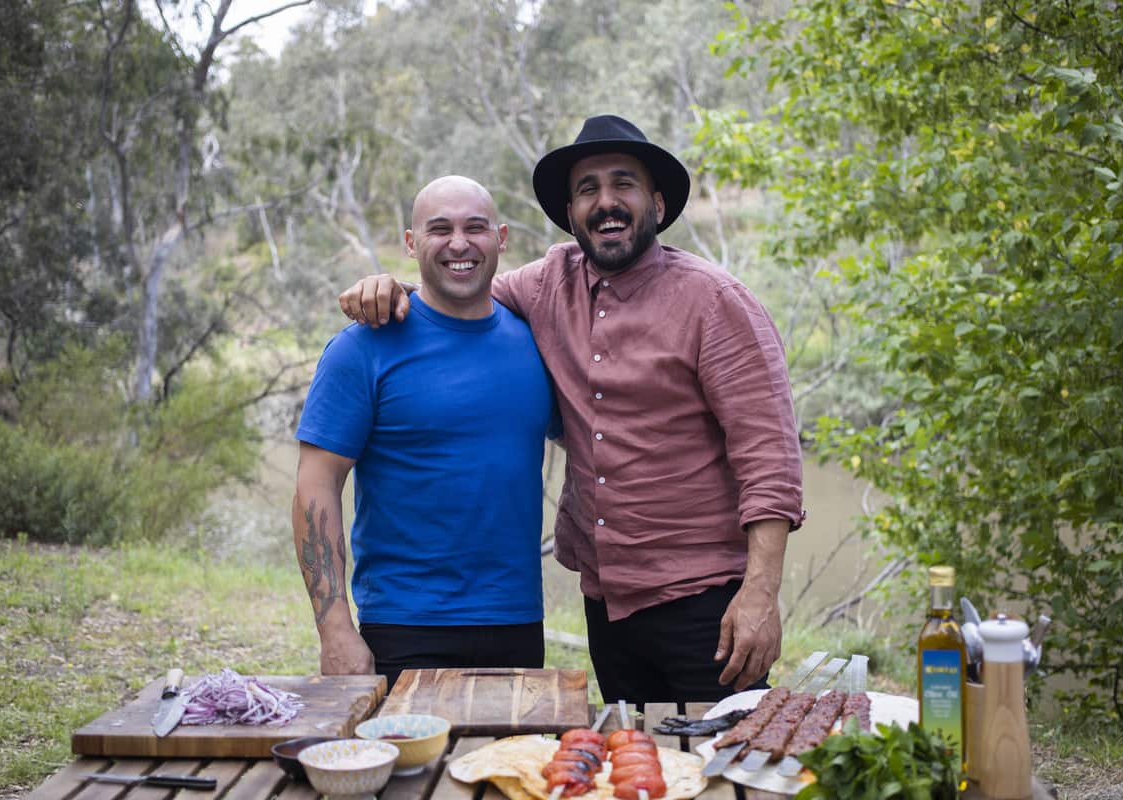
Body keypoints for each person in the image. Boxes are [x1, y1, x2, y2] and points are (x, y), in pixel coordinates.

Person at [338, 116, 804, 703]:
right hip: (608, 606)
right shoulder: (545, 284)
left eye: (623, 185)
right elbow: (459, 290)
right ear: (571, 210)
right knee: (634, 771)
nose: (606, 202)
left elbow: (770, 458)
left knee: (724, 773)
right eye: (588, 189)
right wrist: (389, 290)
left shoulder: (717, 303)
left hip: (706, 605)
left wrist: (760, 593)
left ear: (657, 204)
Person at [292, 175, 559, 689]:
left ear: (501, 238)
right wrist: (334, 628)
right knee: (409, 771)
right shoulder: (362, 348)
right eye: (440, 229)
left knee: (510, 769)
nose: (459, 243)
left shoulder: (535, 342)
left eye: (474, 227)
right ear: (412, 244)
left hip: (517, 622)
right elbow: (315, 485)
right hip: (403, 627)